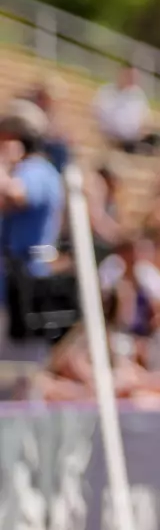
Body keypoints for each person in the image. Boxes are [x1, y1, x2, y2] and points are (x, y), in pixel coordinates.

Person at [1, 99, 67, 353]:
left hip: (19, 292)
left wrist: (4, 161)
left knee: (13, 384)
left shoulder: (34, 169)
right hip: (19, 291)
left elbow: (16, 193)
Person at [94, 65, 160, 155]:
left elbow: (146, 116)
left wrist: (145, 130)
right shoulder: (107, 91)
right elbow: (100, 114)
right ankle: (141, 149)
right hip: (117, 135)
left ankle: (145, 148)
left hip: (135, 135)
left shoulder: (137, 94)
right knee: (130, 146)